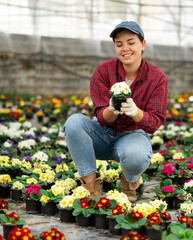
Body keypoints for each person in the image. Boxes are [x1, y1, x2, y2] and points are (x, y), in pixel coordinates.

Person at [63, 21, 168, 203]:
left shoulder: (156, 77)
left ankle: (130, 181)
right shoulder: (104, 71)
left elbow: (155, 122)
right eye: (119, 45)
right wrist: (112, 109)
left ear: (142, 44)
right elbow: (101, 117)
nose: (125, 48)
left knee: (136, 155)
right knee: (74, 122)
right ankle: (90, 189)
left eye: (131, 42)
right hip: (102, 134)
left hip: (132, 135)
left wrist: (135, 112)